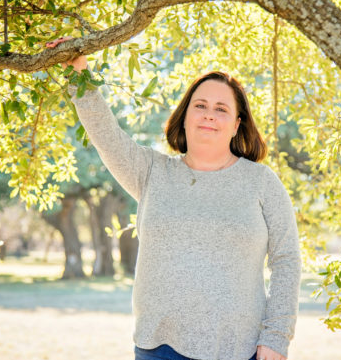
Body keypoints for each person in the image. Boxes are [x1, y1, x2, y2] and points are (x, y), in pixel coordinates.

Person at [46, 37, 302, 360]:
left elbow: (287, 259)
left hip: (241, 349)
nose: (209, 115)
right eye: (201, 105)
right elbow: (106, 134)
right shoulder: (153, 172)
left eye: (221, 109)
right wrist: (78, 74)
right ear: (185, 115)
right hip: (159, 349)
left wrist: (277, 336)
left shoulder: (262, 182)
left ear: (237, 125)